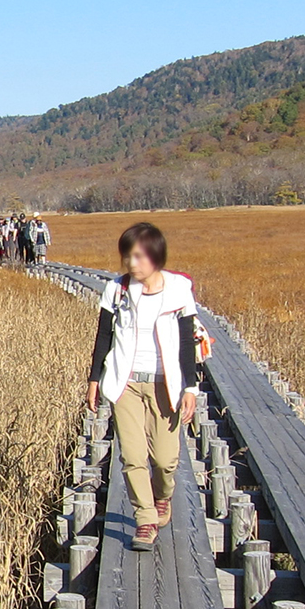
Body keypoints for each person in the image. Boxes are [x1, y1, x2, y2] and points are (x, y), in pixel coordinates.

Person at [85, 222, 200, 552]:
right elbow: (103, 337)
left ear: (155, 256)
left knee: (165, 460)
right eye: (127, 256)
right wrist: (95, 379)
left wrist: (190, 388)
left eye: (137, 256)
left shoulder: (178, 290)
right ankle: (145, 520)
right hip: (127, 383)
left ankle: (162, 495)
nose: (131, 263)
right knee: (133, 456)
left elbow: (186, 343)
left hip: (168, 385)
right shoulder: (117, 290)